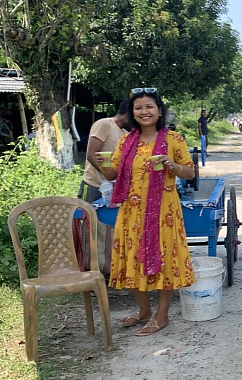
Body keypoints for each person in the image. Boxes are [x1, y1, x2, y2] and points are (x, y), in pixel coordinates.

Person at [99, 87, 196, 336]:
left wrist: (170, 164)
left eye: (150, 106)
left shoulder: (174, 140)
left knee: (165, 259)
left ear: (159, 111)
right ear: (132, 113)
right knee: (131, 258)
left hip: (164, 212)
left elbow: (190, 172)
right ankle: (143, 311)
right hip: (131, 211)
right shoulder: (126, 140)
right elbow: (113, 175)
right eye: (138, 107)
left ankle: (161, 316)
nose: (144, 111)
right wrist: (103, 164)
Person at [78, 99, 129, 204]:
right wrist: (109, 175)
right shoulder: (104, 124)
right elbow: (91, 155)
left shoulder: (126, 134)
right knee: (88, 218)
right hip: (94, 185)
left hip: (111, 188)